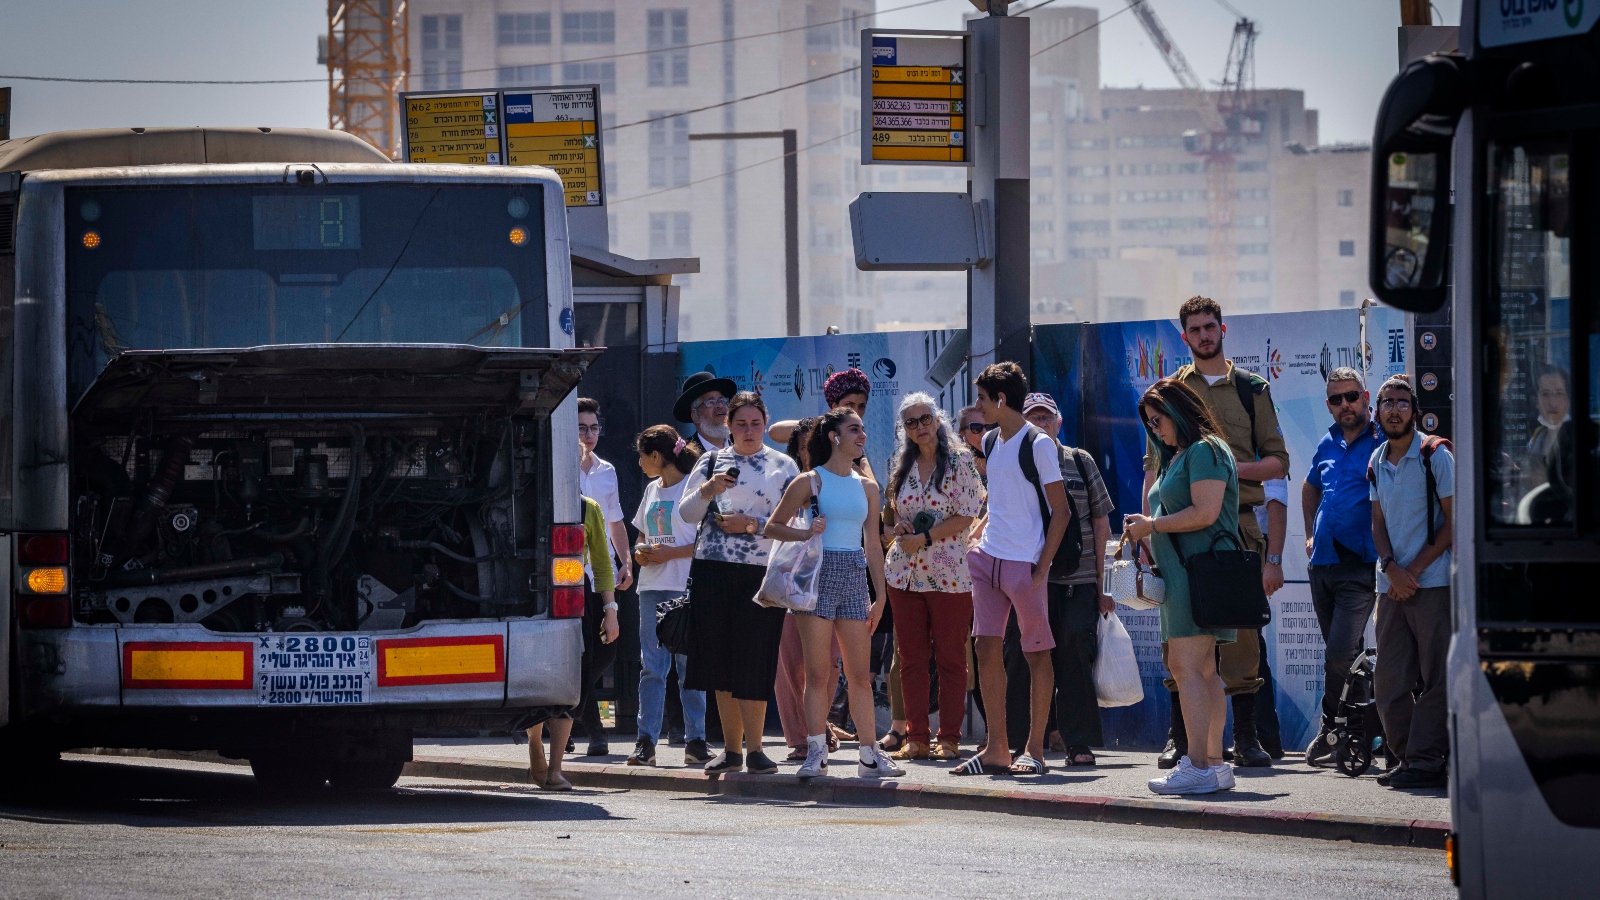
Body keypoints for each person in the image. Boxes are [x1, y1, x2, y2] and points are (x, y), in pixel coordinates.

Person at [1142, 296, 1289, 770]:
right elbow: (1154, 469)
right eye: (1196, 329)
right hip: (1172, 532)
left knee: (1239, 637)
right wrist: (1146, 533)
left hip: (1233, 528)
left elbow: (1278, 463)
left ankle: (1244, 738)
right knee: (1180, 644)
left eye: (1211, 327)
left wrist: (1219, 469)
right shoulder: (1168, 392)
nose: (1205, 335)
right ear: (1184, 337)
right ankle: (1182, 739)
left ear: (1223, 329)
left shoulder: (1251, 389)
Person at [766, 407, 903, 779]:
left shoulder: (868, 485)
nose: (862, 436)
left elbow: (873, 545)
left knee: (859, 674)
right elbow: (773, 527)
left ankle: (869, 755)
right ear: (834, 436)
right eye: (853, 429)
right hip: (818, 574)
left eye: (863, 430)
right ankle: (816, 752)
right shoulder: (810, 481)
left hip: (854, 575)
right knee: (819, 673)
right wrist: (807, 531)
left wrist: (881, 595)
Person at [951, 362, 1071, 777]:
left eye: (982, 399)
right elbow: (1000, 498)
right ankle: (996, 749)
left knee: (1037, 653)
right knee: (986, 648)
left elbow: (1062, 511)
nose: (978, 407)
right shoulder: (990, 440)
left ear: (1001, 400)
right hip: (988, 562)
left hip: (1024, 564)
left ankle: (1034, 750)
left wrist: (1042, 567)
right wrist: (978, 536)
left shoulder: (1038, 443)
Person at [1123, 377, 1240, 795]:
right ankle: (1213, 765)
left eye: (1159, 420)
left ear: (1179, 412)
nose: (1156, 430)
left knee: (1187, 668)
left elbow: (1206, 513)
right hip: (1188, 574)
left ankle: (1198, 765)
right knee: (1204, 670)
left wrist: (1151, 525)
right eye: (1150, 425)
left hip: (1198, 574)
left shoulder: (1205, 449)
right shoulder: (1181, 454)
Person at [677, 391, 799, 775]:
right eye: (740, 423)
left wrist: (753, 525)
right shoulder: (710, 461)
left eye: (755, 423)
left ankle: (756, 749)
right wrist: (709, 489)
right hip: (713, 569)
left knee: (755, 658)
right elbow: (685, 514)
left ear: (765, 423)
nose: (748, 430)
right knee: (719, 661)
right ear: (728, 425)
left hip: (762, 573)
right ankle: (731, 750)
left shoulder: (783, 465)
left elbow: (797, 525)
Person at [882, 393, 984, 761]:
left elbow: (967, 514)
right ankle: (917, 737)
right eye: (911, 422)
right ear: (904, 430)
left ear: (937, 420)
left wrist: (924, 537)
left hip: (948, 575)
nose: (920, 427)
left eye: (925, 419)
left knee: (951, 657)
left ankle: (950, 736)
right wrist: (903, 528)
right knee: (910, 657)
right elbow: (892, 519)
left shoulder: (960, 461)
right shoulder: (901, 465)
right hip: (903, 575)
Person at [1020, 392, 1115, 767]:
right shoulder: (1015, 463)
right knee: (1029, 660)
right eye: (1032, 419)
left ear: (1058, 423)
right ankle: (1030, 743)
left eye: (1046, 418)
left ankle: (1078, 743)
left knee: (1076, 656)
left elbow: (1101, 521)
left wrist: (1101, 585)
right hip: (1030, 582)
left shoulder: (1080, 460)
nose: (1040, 424)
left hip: (1078, 579)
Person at [1369, 375, 1453, 791]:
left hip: (1432, 584)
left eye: (1403, 403)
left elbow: (1453, 525)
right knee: (1388, 680)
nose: (1394, 409)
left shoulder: (1435, 454)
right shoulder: (1376, 459)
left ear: (1414, 411)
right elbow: (1377, 523)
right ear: (1378, 410)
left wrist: (1412, 571)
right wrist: (1390, 568)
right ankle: (1406, 759)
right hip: (1390, 588)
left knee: (1438, 676)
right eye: (1387, 402)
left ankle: (1425, 760)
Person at [1301, 367, 1383, 767]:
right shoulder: (1327, 442)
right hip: (1323, 564)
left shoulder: (1382, 439)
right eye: (1336, 399)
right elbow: (1309, 485)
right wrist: (1308, 533)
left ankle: (1331, 728)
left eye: (1351, 397)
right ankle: (1345, 733)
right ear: (1329, 404)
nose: (1345, 405)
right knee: (1340, 657)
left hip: (1362, 565)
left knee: (1339, 654)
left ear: (1365, 397)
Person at [627, 426, 712, 768]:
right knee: (652, 667)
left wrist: (670, 554)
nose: (639, 463)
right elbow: (641, 536)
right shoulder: (651, 489)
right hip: (651, 587)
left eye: (642, 456)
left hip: (686, 587)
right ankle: (645, 741)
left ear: (657, 457)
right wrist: (639, 553)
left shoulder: (693, 488)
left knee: (690, 667)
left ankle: (697, 740)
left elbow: (706, 541)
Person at [525, 494, 619, 790]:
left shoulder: (587, 507)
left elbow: (603, 563)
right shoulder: (526, 499)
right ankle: (535, 744)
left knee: (573, 675)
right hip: (531, 592)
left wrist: (611, 609)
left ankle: (555, 770)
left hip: (574, 594)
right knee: (535, 675)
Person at [774, 417, 842, 760]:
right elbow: (774, 430)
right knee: (789, 664)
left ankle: (819, 724)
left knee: (828, 663)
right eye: (802, 446)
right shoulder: (787, 479)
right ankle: (801, 738)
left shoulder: (844, 478)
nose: (808, 451)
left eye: (813, 444)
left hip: (833, 576)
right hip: (790, 577)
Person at [575, 398, 631, 756]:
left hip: (604, 572)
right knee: (581, 654)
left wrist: (626, 560)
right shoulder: (560, 467)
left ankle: (567, 710)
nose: (590, 434)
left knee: (608, 649)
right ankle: (595, 731)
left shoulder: (606, 470)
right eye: (582, 428)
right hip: (572, 573)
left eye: (594, 427)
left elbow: (615, 521)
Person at [673, 371, 737, 452]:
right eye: (711, 402)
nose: (720, 405)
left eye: (722, 400)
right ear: (695, 416)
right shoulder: (685, 454)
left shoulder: (742, 448)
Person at [958, 404, 990, 479]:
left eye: (989, 427)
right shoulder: (957, 466)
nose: (984, 433)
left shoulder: (1006, 459)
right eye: (976, 428)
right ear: (963, 433)